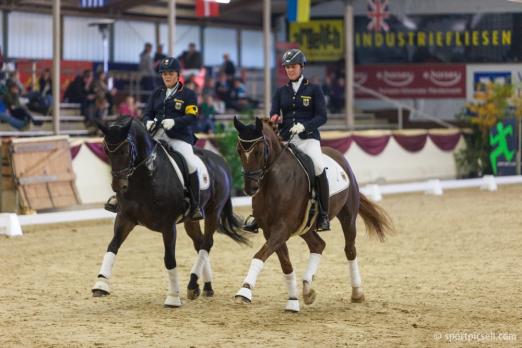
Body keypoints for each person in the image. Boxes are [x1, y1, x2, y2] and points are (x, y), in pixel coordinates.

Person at [105, 57, 204, 221]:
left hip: (179, 137)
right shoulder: (157, 93)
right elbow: (146, 114)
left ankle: (195, 205)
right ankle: (120, 198)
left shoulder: (188, 94)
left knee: (191, 163)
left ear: (177, 74)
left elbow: (192, 117)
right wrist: (147, 122)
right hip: (156, 136)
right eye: (164, 74)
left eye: (170, 73)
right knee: (134, 159)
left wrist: (175, 122)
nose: (167, 77)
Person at [243, 49, 330, 232]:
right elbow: (274, 112)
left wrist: (305, 126)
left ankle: (323, 214)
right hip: (286, 139)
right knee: (264, 167)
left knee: (318, 167)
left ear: (301, 67)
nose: (290, 70)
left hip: (308, 139)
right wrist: (274, 118)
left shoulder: (314, 89)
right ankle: (256, 215)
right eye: (287, 67)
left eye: (293, 67)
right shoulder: (281, 91)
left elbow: (322, 117)